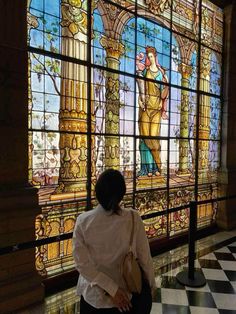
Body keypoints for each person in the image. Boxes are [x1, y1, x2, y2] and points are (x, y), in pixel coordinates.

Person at [73, 169, 156, 313]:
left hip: (95, 300)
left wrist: (111, 289)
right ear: (121, 194)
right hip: (128, 298)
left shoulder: (83, 222)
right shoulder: (133, 218)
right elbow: (144, 258)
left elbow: (82, 264)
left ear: (97, 192)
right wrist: (151, 286)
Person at [136, 46, 169, 177]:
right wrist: (140, 100)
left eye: (151, 56)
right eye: (148, 56)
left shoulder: (161, 74)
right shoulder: (146, 71)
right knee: (145, 138)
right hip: (145, 109)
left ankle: (157, 166)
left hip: (156, 109)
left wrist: (166, 85)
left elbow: (163, 94)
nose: (149, 58)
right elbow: (141, 86)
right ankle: (147, 169)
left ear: (155, 57)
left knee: (154, 138)